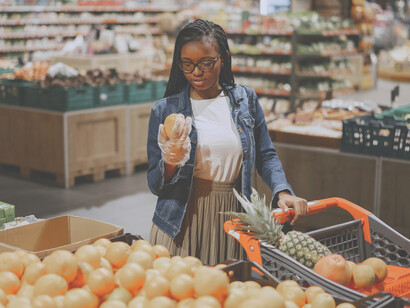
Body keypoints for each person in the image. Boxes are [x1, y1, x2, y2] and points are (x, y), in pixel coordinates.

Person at [146, 19, 308, 265]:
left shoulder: (246, 100)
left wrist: (282, 190)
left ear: (223, 58)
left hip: (233, 216)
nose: (196, 73)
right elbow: (155, 184)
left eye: (206, 63)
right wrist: (170, 161)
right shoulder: (165, 111)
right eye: (187, 65)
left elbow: (266, 155)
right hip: (181, 220)